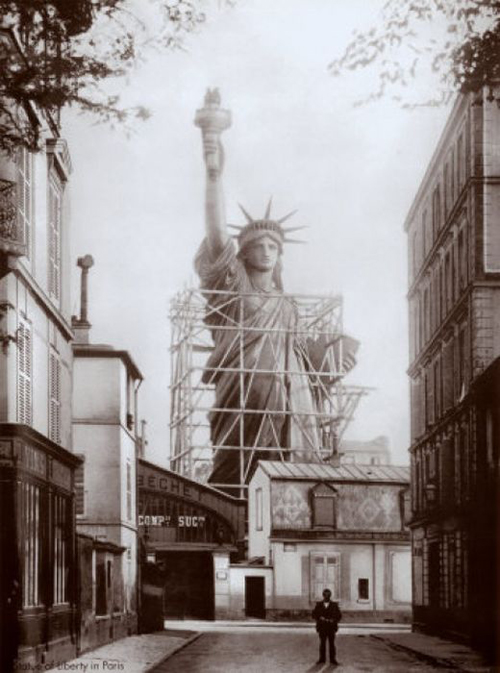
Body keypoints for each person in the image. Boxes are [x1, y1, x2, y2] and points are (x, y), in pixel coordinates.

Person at [194, 91, 357, 492]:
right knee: (234, 464)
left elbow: (304, 360)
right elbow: (216, 232)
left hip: (283, 397)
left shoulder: (286, 306)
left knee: (278, 470)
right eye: (258, 246)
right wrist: (212, 162)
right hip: (240, 388)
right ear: (244, 253)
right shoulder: (231, 284)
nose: (266, 251)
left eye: (273, 247)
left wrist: (335, 355)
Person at [312, 588, 341, 665]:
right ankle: (322, 659)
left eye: (328, 595)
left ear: (330, 596)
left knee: (332, 644)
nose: (326, 597)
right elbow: (314, 614)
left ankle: (333, 659)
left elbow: (339, 615)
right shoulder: (319, 605)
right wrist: (319, 617)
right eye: (325, 595)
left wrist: (333, 620)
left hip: (331, 628)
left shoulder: (334, 605)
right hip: (322, 627)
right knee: (322, 644)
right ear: (323, 596)